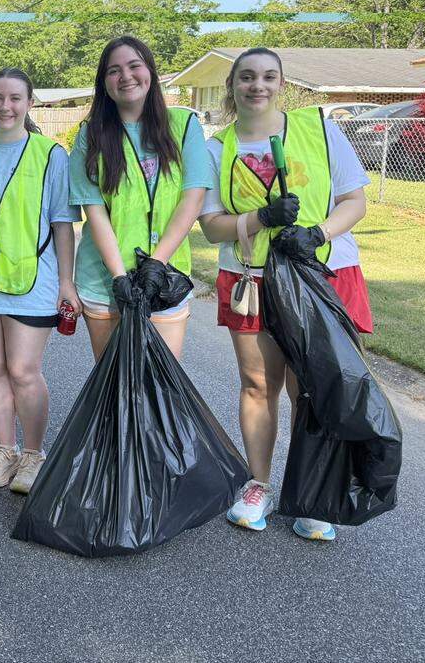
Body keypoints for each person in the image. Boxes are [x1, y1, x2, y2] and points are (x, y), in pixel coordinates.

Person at [198, 47, 373, 542]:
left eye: (268, 77)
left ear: (281, 83)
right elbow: (212, 228)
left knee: (310, 387)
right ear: (232, 86)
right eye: (247, 77)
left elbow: (353, 200)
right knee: (258, 384)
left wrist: (318, 233)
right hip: (251, 280)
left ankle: (312, 493)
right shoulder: (217, 148)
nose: (258, 85)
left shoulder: (319, 130)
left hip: (317, 274)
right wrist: (260, 220)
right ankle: (259, 484)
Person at [0, 68, 78, 494]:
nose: (5, 107)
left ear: (30, 103)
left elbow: (63, 222)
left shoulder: (50, 154)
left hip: (33, 278)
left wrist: (66, 283)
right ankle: (4, 448)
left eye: (14, 98)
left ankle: (33, 453)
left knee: (23, 370)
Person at [68, 35, 211, 360]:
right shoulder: (90, 135)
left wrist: (157, 263)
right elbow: (96, 212)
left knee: (160, 386)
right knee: (115, 387)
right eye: (114, 70)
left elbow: (193, 198)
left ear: (151, 72)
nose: (126, 76)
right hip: (104, 281)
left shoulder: (184, 126)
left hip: (165, 279)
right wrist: (120, 276)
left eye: (134, 66)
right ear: (104, 83)